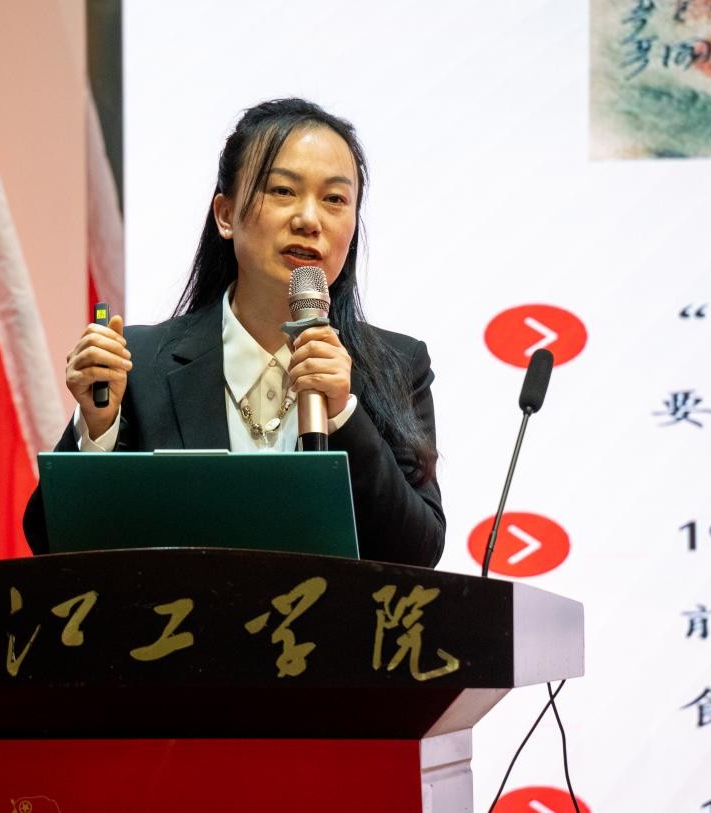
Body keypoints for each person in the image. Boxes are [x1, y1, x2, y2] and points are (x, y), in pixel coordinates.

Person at [23, 98, 444, 567]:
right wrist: (98, 429)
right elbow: (50, 542)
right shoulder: (140, 364)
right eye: (283, 191)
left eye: (335, 199)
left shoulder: (398, 366)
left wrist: (345, 413)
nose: (310, 219)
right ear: (225, 215)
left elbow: (418, 555)